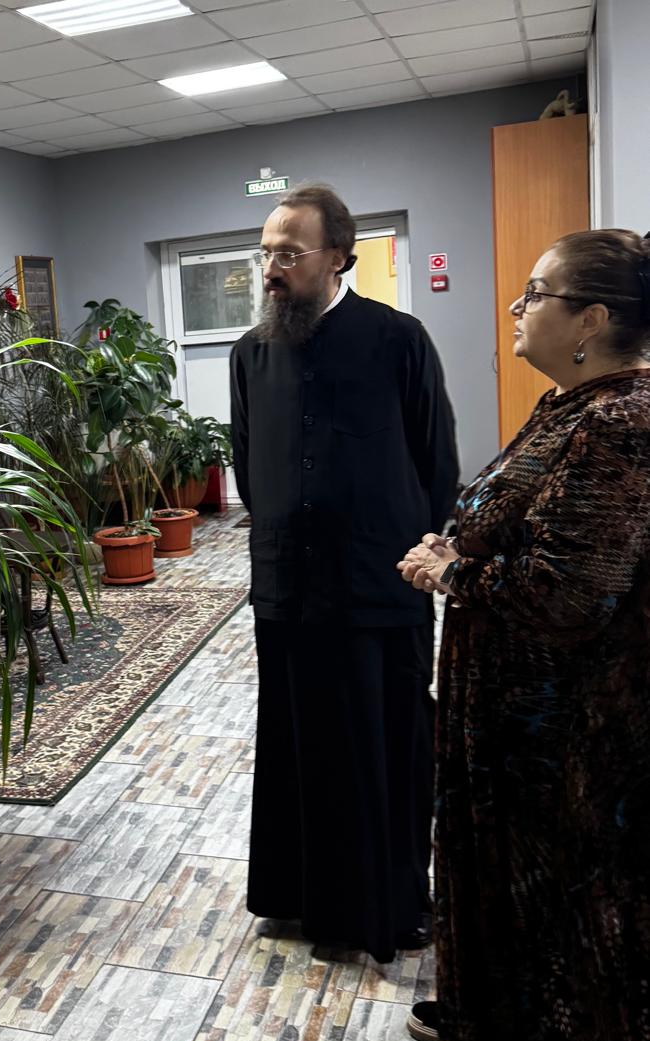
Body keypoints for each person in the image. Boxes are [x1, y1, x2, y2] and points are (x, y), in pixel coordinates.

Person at [398, 228, 650, 1041]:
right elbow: (518, 521)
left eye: (536, 293)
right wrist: (457, 544)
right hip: (515, 713)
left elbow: (570, 594)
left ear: (590, 320)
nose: (517, 305)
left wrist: (451, 572)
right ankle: (511, 1012)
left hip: (575, 726)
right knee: (515, 873)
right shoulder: (567, 406)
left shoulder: (622, 424)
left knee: (584, 890)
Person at [230, 183, 459, 963]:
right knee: (298, 746)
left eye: (289, 253)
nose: (272, 267)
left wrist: (420, 552)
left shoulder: (398, 339)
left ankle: (390, 904)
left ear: (337, 258)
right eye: (266, 252)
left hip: (376, 590)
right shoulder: (251, 353)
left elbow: (436, 462)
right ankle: (298, 896)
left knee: (382, 748)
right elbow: (250, 469)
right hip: (287, 591)